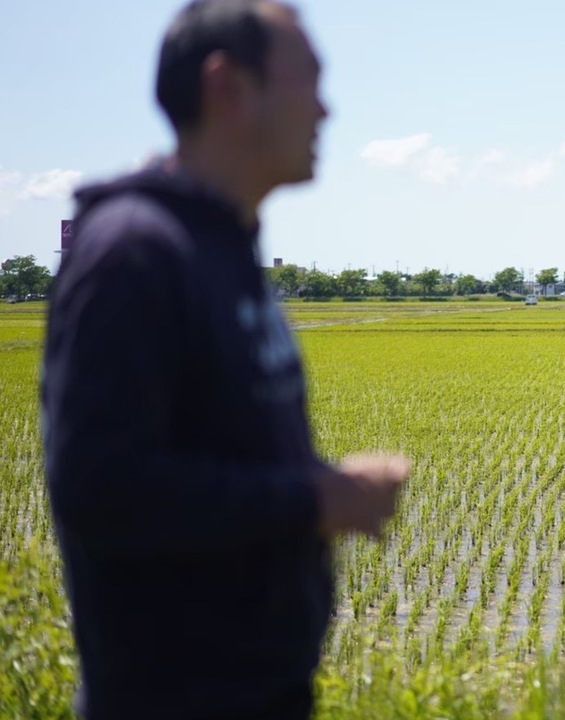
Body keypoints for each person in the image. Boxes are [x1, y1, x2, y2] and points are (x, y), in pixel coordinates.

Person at [41, 1, 409, 718]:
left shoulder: (224, 247)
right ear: (228, 87)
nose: (327, 112)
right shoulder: (135, 253)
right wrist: (317, 499)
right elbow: (102, 488)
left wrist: (318, 488)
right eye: (310, 81)